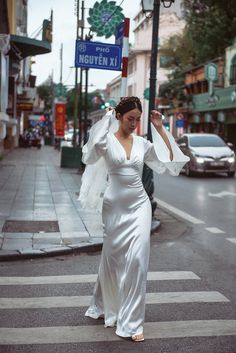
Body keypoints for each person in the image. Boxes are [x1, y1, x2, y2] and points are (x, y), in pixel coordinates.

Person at [78, 96, 189, 342]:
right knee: (112, 257)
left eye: (138, 120)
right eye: (130, 119)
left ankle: (131, 324)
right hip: (114, 206)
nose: (134, 124)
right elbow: (89, 156)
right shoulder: (106, 142)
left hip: (140, 205)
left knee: (137, 260)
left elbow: (168, 160)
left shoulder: (142, 143)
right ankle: (101, 301)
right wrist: (105, 120)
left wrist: (160, 128)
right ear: (119, 116)